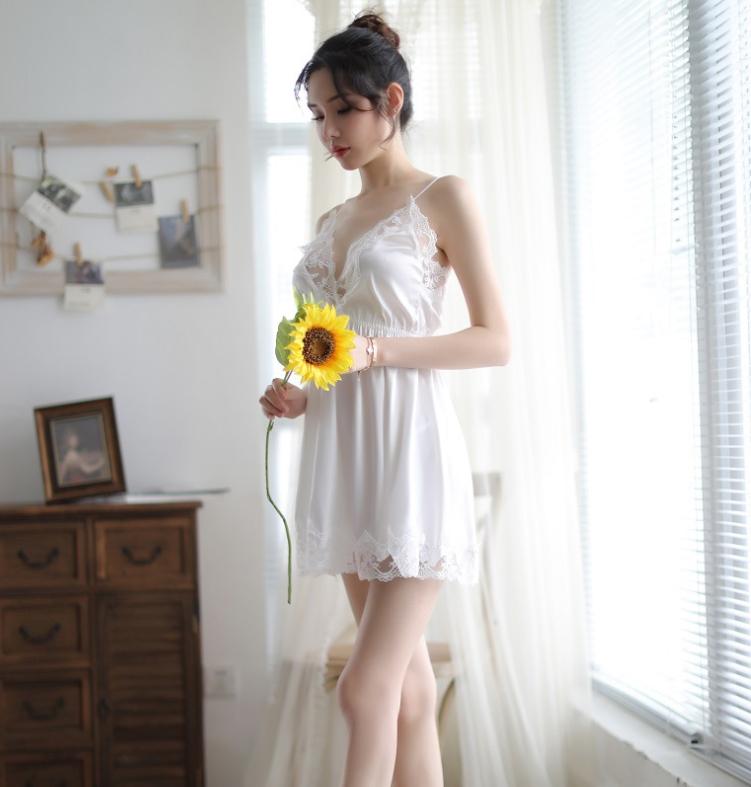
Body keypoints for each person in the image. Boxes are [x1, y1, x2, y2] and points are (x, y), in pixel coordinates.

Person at [259, 9, 510, 786]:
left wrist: (378, 350)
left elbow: (494, 339)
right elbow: (332, 349)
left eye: (342, 109)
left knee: (363, 690)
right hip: (343, 465)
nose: (328, 131)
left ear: (390, 101)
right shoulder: (330, 219)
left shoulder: (442, 197)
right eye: (317, 115)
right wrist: (300, 395)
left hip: (410, 460)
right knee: (404, 691)